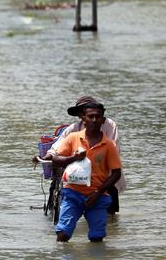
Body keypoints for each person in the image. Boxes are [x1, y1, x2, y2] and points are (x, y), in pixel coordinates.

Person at [40, 95, 125, 214]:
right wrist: (48, 156)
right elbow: (57, 147)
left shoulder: (109, 125)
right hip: (79, 170)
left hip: (103, 170)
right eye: (83, 112)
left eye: (96, 115)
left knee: (110, 201)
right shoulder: (73, 129)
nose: (94, 119)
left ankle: (111, 216)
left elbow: (113, 148)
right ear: (82, 115)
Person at [51, 102, 122, 242]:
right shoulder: (73, 137)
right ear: (83, 118)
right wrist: (73, 158)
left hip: (98, 196)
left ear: (103, 120)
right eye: (91, 117)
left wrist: (98, 193)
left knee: (97, 238)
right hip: (72, 193)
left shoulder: (109, 145)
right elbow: (56, 159)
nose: (94, 120)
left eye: (98, 117)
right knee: (62, 235)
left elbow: (116, 173)